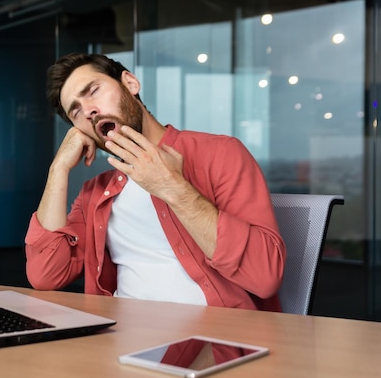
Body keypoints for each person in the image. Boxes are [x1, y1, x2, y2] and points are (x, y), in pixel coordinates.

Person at [24, 53, 286, 311]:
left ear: (130, 83)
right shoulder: (94, 192)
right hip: (121, 338)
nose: (89, 111)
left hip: (211, 338)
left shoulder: (221, 153)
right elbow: (45, 274)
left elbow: (264, 277)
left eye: (93, 91)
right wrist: (58, 169)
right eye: (76, 112)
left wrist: (173, 188)